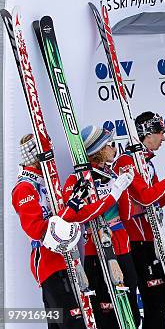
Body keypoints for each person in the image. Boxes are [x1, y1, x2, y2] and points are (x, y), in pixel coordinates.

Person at [12, 133, 128, 329]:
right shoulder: (24, 188)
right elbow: (41, 232)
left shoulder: (47, 184)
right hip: (51, 265)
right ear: (35, 156)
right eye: (47, 152)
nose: (52, 156)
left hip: (68, 261)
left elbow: (74, 216)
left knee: (60, 325)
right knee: (74, 324)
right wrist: (71, 208)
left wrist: (111, 195)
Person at [113, 111, 165, 329]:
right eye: (160, 133)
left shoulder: (146, 161)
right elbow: (145, 198)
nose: (163, 138)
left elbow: (159, 200)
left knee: (159, 301)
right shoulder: (126, 161)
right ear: (147, 134)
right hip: (133, 242)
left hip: (150, 238)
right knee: (151, 301)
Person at [63, 126, 141, 328]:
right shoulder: (77, 180)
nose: (113, 148)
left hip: (119, 246)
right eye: (108, 145)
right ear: (98, 150)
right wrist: (115, 192)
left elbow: (125, 213)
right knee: (105, 311)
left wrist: (122, 187)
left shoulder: (111, 174)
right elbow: (77, 216)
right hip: (95, 250)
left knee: (128, 308)